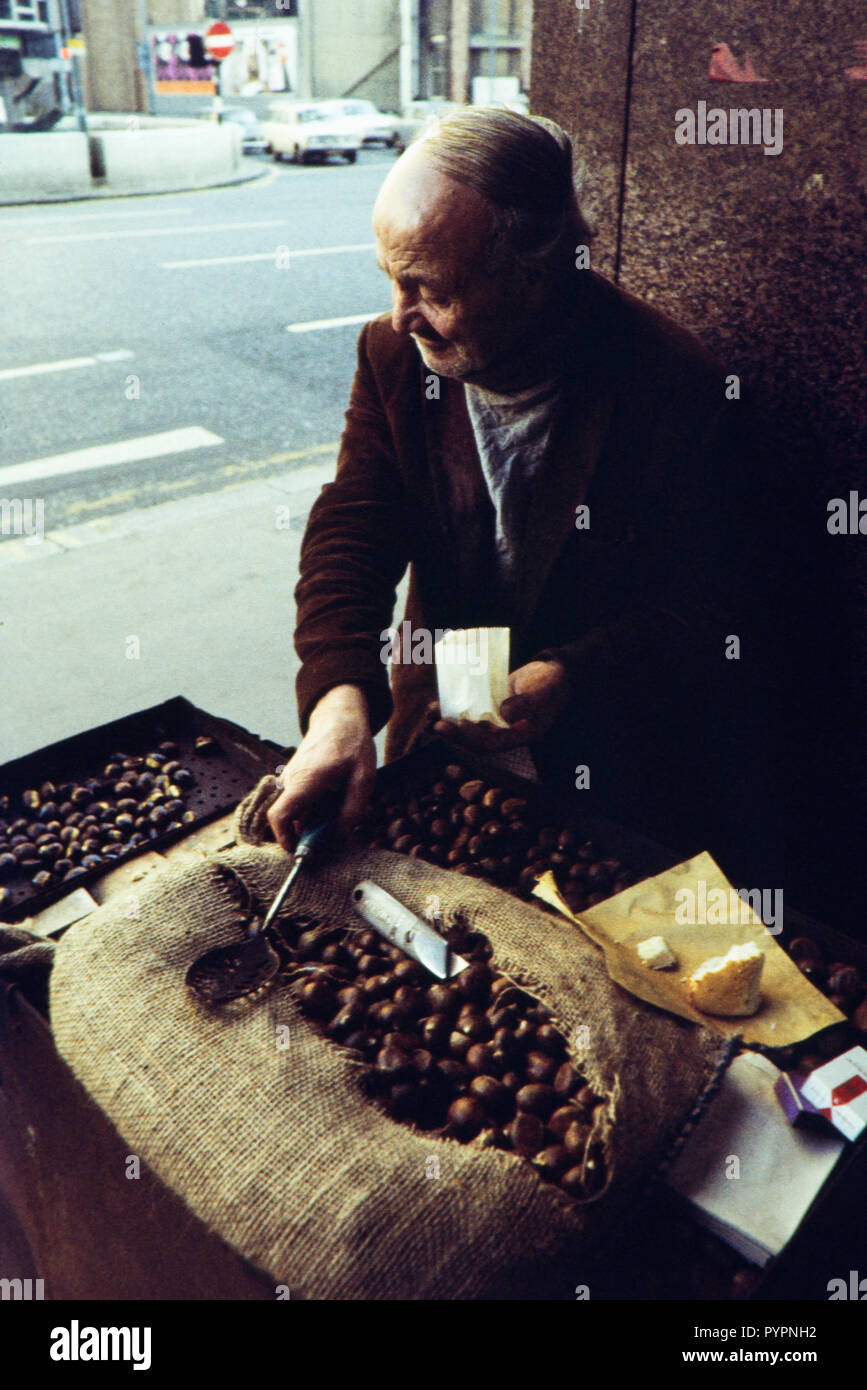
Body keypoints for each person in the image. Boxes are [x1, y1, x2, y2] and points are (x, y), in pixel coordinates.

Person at [268, 108, 782, 883]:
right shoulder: (391, 353)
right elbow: (354, 525)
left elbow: (716, 606)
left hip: (609, 770)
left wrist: (572, 674)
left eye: (428, 289)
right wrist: (340, 704)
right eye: (389, 280)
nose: (403, 315)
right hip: (436, 730)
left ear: (532, 277)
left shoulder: (676, 386)